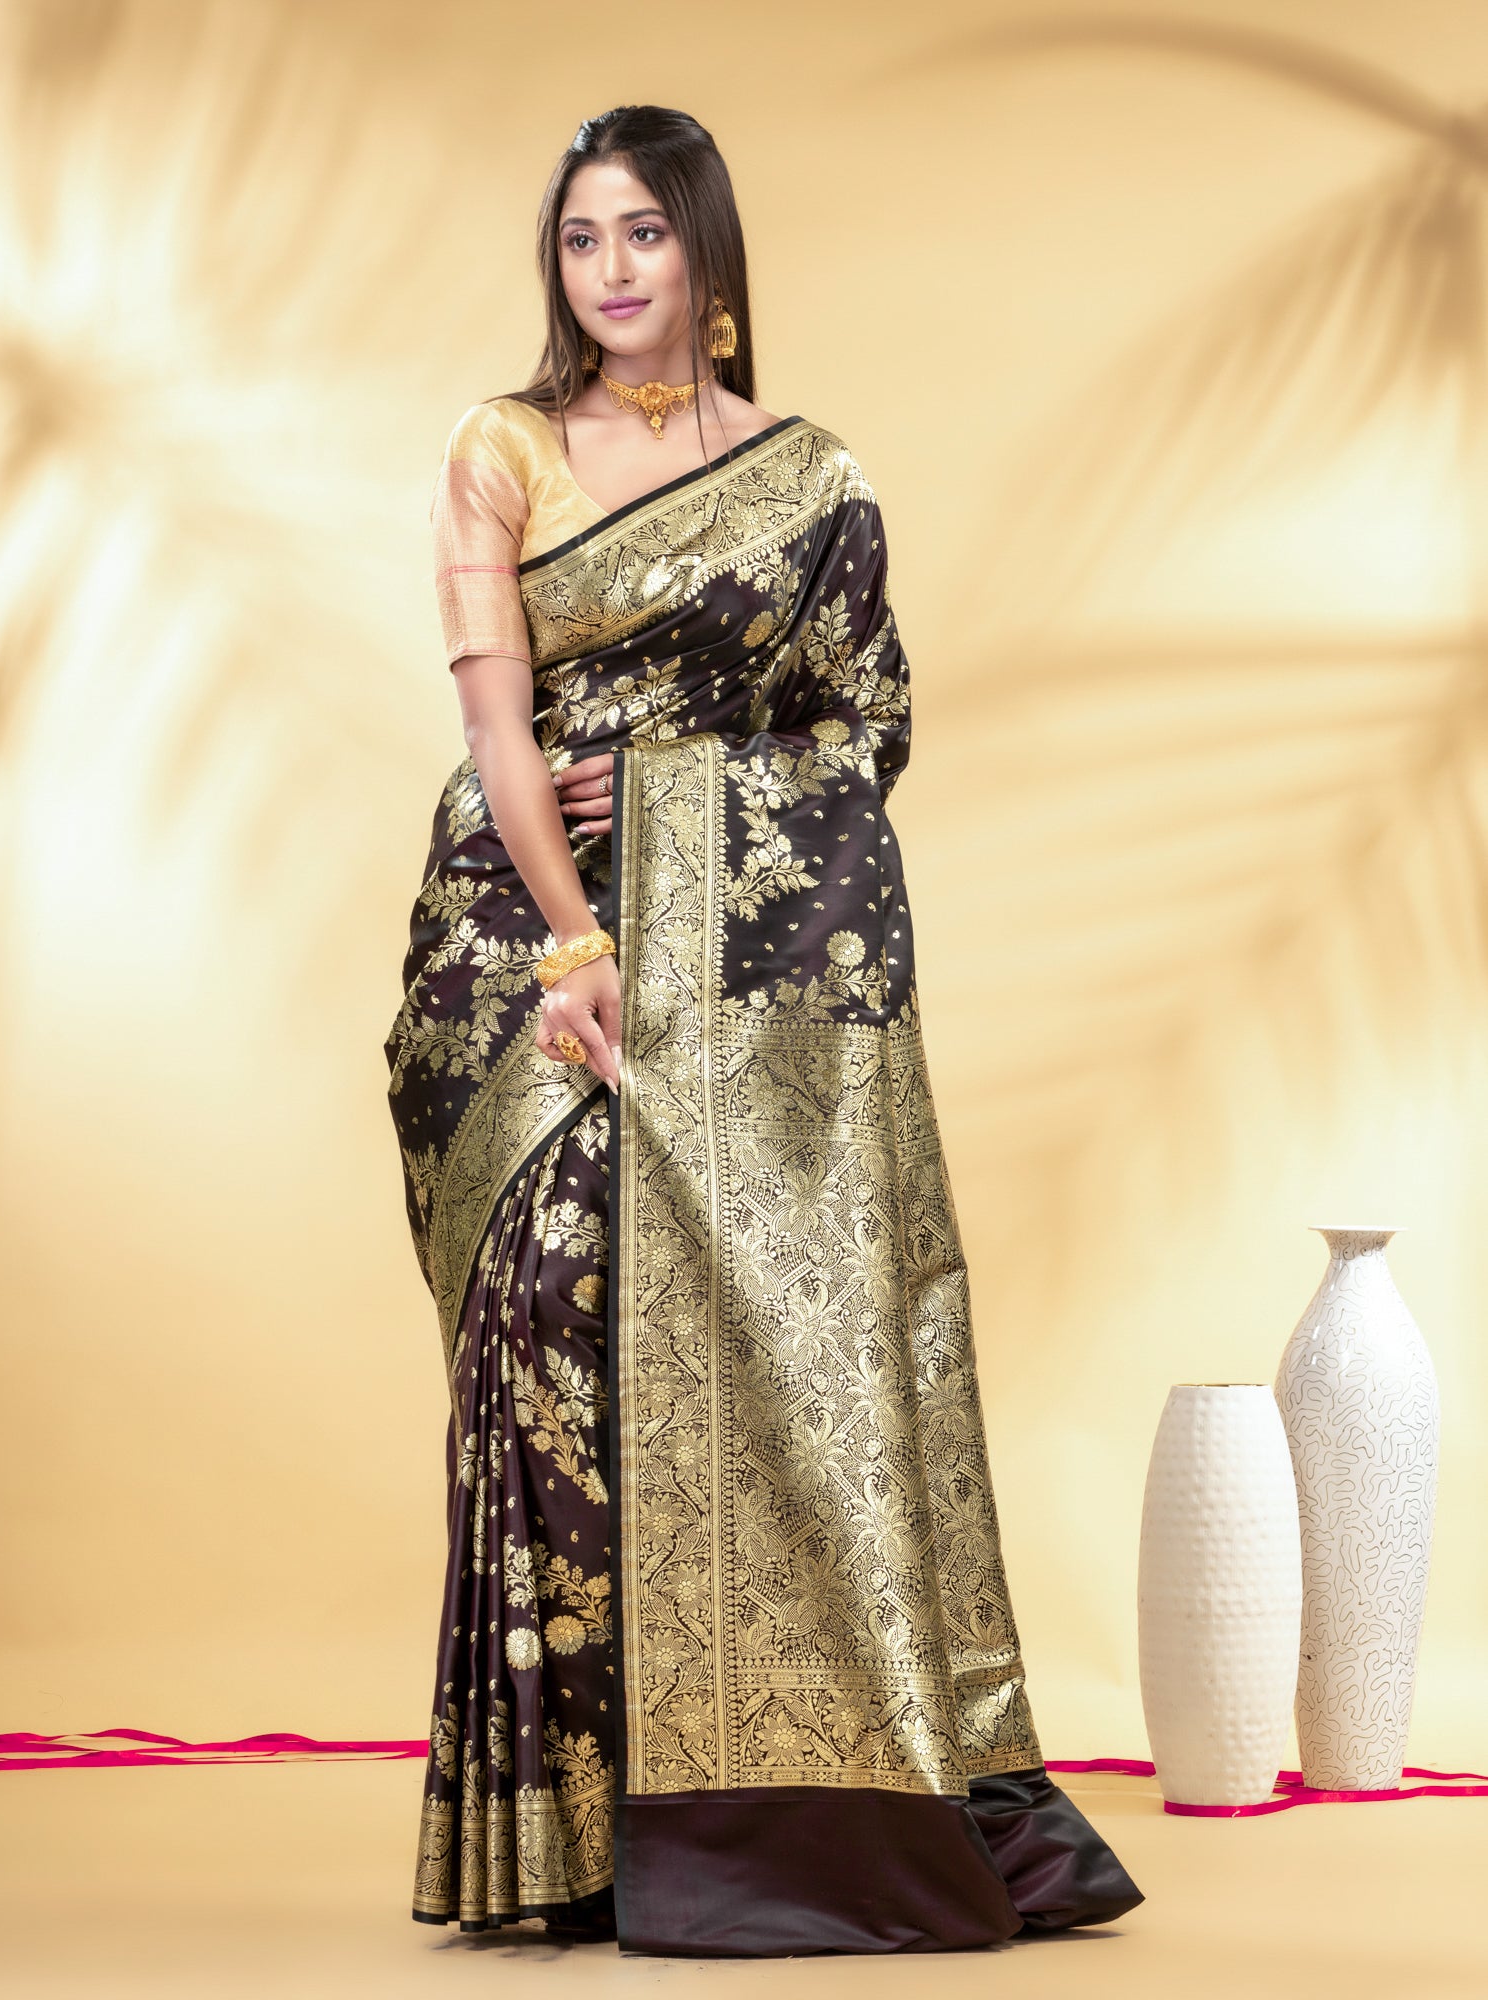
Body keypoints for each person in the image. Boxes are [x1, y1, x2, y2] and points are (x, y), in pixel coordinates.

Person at [385, 102, 1143, 1958]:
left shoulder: (813, 481)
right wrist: (578, 941)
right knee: (551, 1312)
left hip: (742, 953)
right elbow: (499, 732)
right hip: (523, 931)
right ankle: (563, 1835)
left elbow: (858, 734)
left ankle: (758, 1806)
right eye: (582, 237)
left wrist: (669, 801)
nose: (612, 269)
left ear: (707, 254)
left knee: (760, 1333)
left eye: (644, 232)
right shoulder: (501, 449)